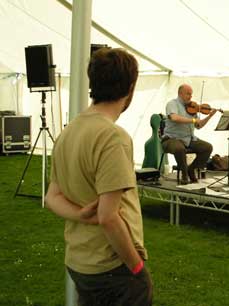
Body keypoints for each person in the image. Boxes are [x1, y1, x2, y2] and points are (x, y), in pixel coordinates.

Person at [45, 48, 153, 305]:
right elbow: (108, 217)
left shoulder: (68, 132)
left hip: (80, 262)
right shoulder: (113, 138)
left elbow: (52, 197)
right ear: (130, 88)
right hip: (112, 267)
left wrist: (79, 214)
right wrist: (136, 267)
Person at [162, 84, 217, 184]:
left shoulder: (193, 108)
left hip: (188, 138)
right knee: (179, 148)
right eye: (188, 94)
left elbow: (199, 125)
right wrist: (192, 120)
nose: (190, 97)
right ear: (180, 93)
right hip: (171, 138)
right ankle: (184, 173)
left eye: (191, 94)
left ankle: (191, 169)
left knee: (207, 147)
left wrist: (210, 116)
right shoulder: (172, 104)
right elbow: (174, 118)